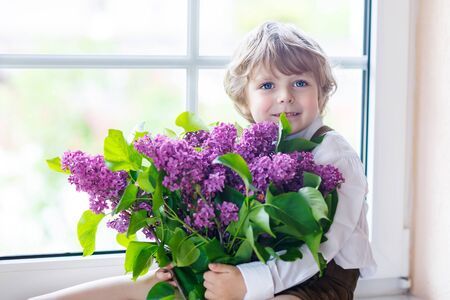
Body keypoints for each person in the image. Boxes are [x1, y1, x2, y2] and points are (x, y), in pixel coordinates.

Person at [31, 21, 376, 300]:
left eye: (300, 82)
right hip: (251, 266)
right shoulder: (249, 152)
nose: (285, 96)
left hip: (318, 281)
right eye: (268, 85)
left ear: (322, 91)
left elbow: (323, 249)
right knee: (160, 285)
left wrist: (249, 283)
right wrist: (187, 260)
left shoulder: (334, 154)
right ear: (244, 98)